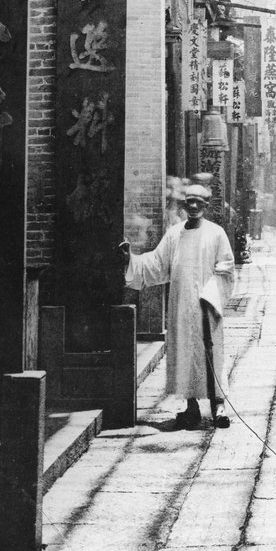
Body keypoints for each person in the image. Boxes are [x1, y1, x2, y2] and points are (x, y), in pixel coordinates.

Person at [118, 177, 235, 430]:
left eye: (198, 202)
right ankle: (191, 406)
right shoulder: (174, 234)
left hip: (207, 307)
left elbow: (225, 269)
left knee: (212, 353)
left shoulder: (216, 233)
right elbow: (157, 263)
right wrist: (131, 260)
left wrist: (210, 297)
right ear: (184, 204)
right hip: (181, 307)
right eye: (189, 201)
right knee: (185, 355)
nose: (193, 206)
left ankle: (219, 406)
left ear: (206, 205)